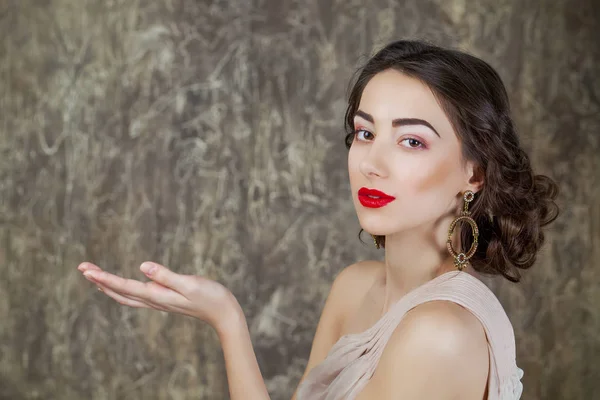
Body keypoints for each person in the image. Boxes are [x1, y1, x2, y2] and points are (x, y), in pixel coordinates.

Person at [77, 39, 559, 399]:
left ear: (474, 172)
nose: (372, 161)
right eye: (365, 132)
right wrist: (226, 318)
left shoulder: (441, 334)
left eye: (411, 141)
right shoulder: (353, 287)